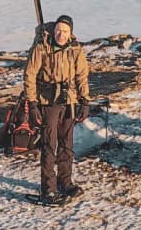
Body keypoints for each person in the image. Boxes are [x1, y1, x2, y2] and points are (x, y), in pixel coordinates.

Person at [22, 14, 90, 204]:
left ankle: (65, 182)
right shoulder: (42, 48)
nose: (61, 34)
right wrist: (33, 103)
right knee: (48, 145)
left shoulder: (75, 50)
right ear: (53, 30)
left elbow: (82, 76)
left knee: (66, 145)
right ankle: (48, 189)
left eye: (65, 31)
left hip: (68, 102)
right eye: (58, 30)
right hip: (48, 102)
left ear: (71, 33)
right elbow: (30, 75)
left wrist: (85, 101)